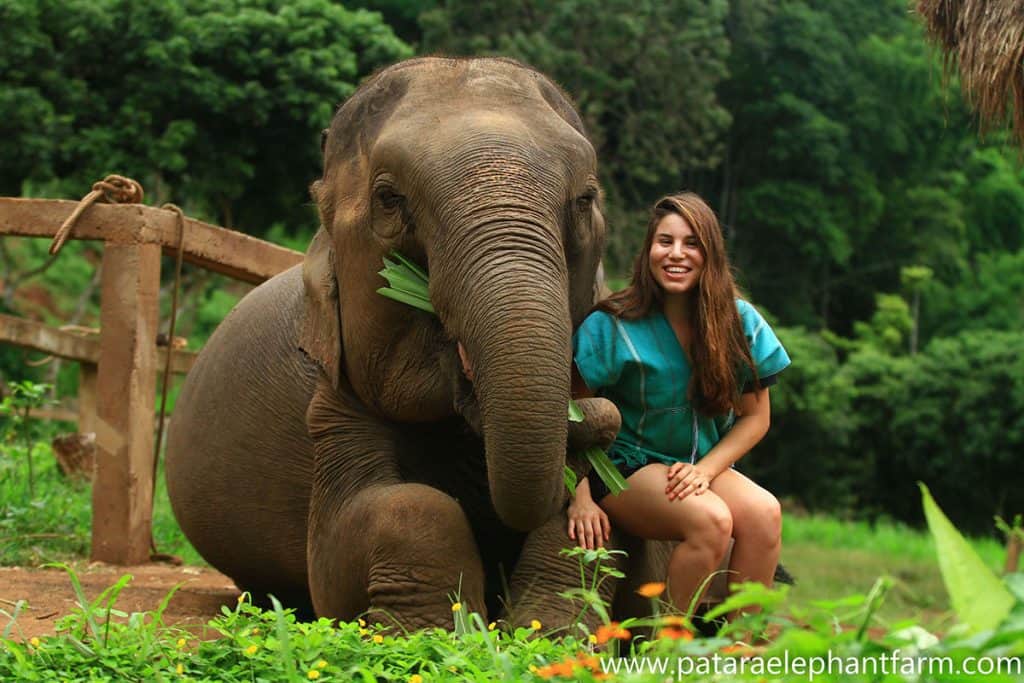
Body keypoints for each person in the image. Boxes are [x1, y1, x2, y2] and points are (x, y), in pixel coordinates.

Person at [567, 192, 790, 615]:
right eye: (664, 241)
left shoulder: (739, 323)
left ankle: (738, 654)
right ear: (648, 249)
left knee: (765, 514)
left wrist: (705, 471)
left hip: (696, 465)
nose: (676, 254)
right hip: (623, 469)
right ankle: (670, 653)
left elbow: (755, 417)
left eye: (691, 243)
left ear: (711, 254)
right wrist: (579, 496)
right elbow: (571, 416)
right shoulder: (612, 323)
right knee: (712, 521)